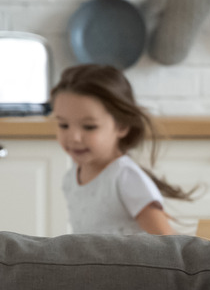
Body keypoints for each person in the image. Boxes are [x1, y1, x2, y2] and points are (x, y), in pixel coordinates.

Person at [50, 64, 195, 235]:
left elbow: (169, 243)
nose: (73, 137)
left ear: (122, 126)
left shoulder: (126, 178)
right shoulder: (71, 177)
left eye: (89, 127)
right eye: (63, 125)